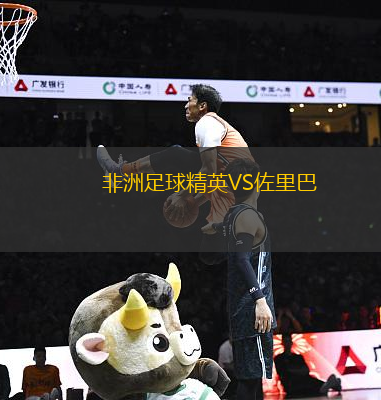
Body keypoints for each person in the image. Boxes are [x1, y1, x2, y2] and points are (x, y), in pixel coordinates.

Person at [96, 84, 254, 262]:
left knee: (176, 154)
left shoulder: (207, 122)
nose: (186, 105)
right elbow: (216, 179)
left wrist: (182, 194)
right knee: (209, 256)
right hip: (241, 189)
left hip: (238, 184)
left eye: (190, 100)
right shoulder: (218, 127)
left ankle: (119, 172)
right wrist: (194, 201)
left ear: (202, 106)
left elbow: (209, 171)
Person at [202, 158, 273, 400]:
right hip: (252, 308)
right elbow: (242, 260)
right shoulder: (247, 217)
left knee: (251, 379)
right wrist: (260, 300)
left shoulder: (233, 216)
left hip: (242, 308)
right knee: (250, 381)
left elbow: (211, 257)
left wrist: (212, 230)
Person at [274, 334, 340, 397]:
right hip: (291, 385)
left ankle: (333, 384)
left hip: (303, 379)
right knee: (314, 385)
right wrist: (298, 370)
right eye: (285, 341)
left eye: (288, 341)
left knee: (314, 382)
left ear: (291, 342)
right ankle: (332, 384)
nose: (287, 344)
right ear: (282, 343)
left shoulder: (298, 357)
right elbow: (283, 372)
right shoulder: (279, 358)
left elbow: (306, 370)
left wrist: (293, 370)